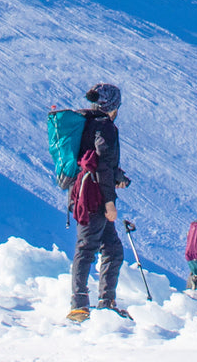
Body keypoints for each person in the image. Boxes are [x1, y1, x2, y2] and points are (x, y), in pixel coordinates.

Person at [67, 83, 131, 322]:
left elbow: (94, 159)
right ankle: (79, 305)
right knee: (87, 248)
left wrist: (118, 176)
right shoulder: (104, 126)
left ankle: (105, 303)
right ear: (113, 105)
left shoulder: (85, 122)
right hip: (95, 198)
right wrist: (109, 202)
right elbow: (102, 164)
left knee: (112, 250)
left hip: (82, 194)